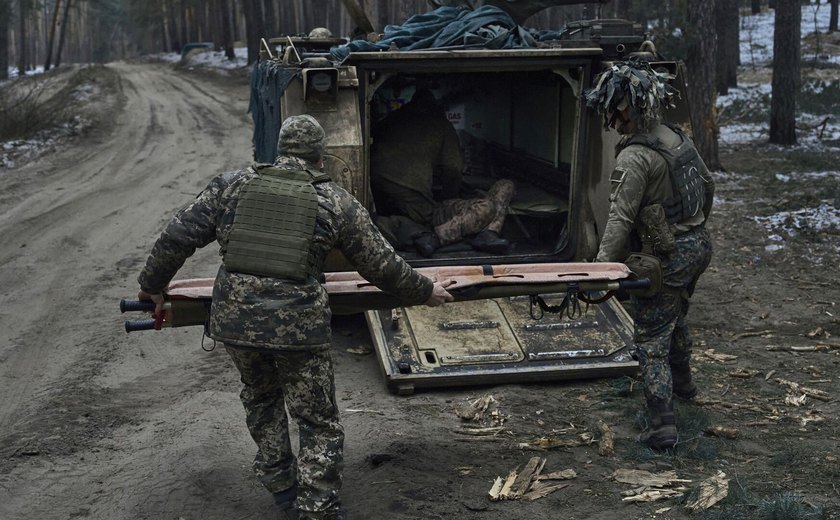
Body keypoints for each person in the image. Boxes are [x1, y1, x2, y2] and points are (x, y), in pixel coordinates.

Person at [136, 115, 454, 520]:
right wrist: (425, 291)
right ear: (320, 156)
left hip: (235, 322)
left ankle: (282, 488)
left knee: (261, 398)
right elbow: (381, 265)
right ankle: (317, 508)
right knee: (316, 418)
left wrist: (152, 284)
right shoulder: (334, 200)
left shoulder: (232, 185)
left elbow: (177, 235)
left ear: (281, 148)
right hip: (297, 329)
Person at [584, 59, 715, 450]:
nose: (611, 118)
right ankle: (686, 387)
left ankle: (662, 425)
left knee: (651, 337)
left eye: (615, 109)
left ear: (629, 107)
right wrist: (692, 226)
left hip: (668, 255)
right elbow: (707, 185)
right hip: (699, 245)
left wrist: (599, 271)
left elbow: (620, 219)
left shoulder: (634, 157)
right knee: (674, 317)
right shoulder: (675, 137)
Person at [370, 88, 515, 257]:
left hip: (381, 195)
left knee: (505, 186)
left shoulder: (390, 120)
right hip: (419, 207)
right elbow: (453, 169)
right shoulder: (439, 124)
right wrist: (450, 197)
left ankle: (488, 234)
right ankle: (438, 237)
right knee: (487, 207)